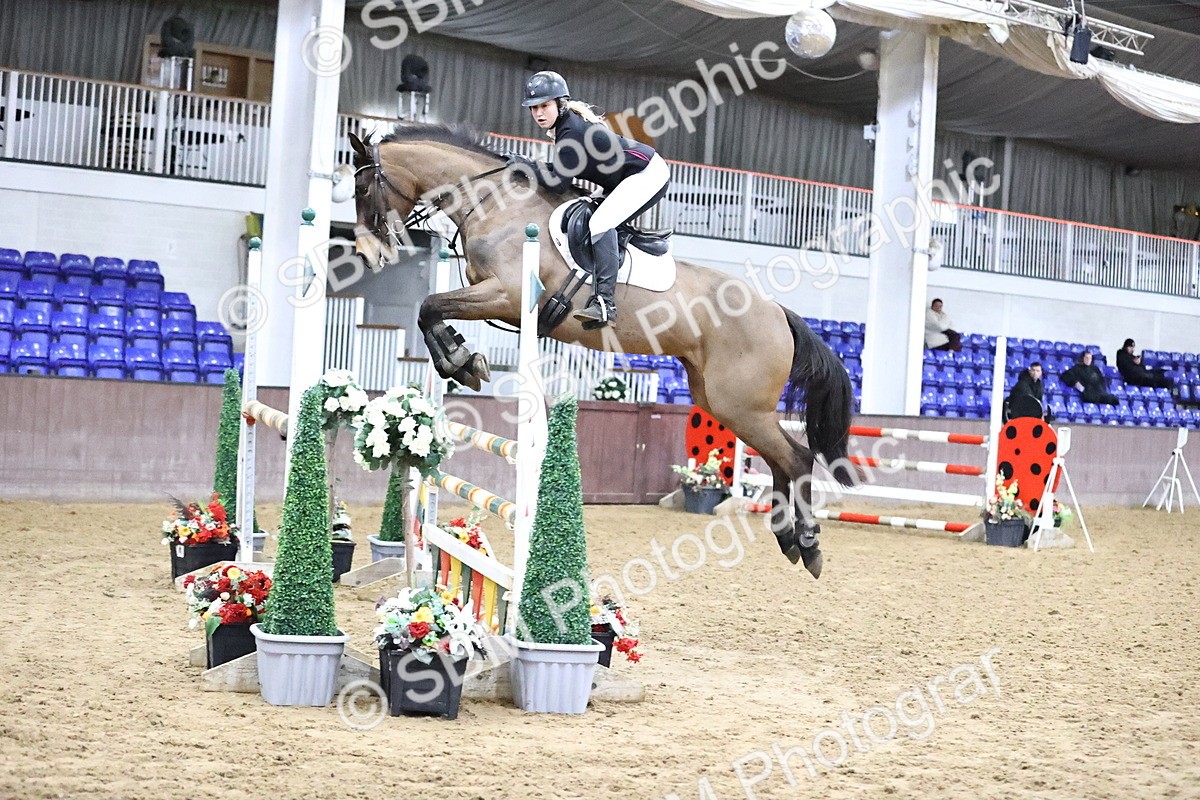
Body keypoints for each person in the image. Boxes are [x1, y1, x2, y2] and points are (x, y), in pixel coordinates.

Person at [513, 71, 671, 329]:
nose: (538, 113)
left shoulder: (570, 131)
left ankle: (605, 305)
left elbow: (559, 183)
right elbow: (561, 171)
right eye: (534, 108)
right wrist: (527, 165)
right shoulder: (565, 127)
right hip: (626, 178)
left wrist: (526, 167)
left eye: (544, 106)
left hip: (647, 174)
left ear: (560, 104)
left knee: (600, 223)